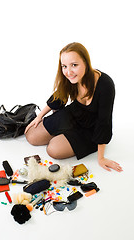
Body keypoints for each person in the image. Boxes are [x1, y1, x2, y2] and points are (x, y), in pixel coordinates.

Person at [25, 42, 123, 172]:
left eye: (74, 65)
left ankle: (64, 138)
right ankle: (62, 135)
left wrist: (101, 158)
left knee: (52, 149)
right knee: (31, 135)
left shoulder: (105, 85)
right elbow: (59, 96)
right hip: (74, 115)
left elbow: (104, 121)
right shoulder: (70, 76)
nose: (68, 71)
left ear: (86, 62)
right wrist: (39, 117)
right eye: (64, 66)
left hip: (91, 130)